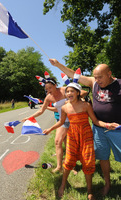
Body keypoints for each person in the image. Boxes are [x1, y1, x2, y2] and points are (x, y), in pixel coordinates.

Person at [49, 58, 121, 196]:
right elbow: (73, 75)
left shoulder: (119, 84)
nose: (97, 80)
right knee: (103, 157)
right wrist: (58, 65)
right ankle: (107, 185)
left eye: (100, 77)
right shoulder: (93, 83)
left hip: (117, 129)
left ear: (109, 73)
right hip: (99, 128)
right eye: (95, 77)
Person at [23, 76, 88, 173]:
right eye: (46, 89)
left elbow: (83, 92)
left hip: (74, 119)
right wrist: (29, 117)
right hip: (62, 121)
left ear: (55, 85)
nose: (48, 91)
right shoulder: (49, 97)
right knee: (58, 141)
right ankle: (59, 166)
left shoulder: (64, 90)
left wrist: (73, 99)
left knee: (70, 144)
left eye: (50, 88)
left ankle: (72, 165)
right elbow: (41, 110)